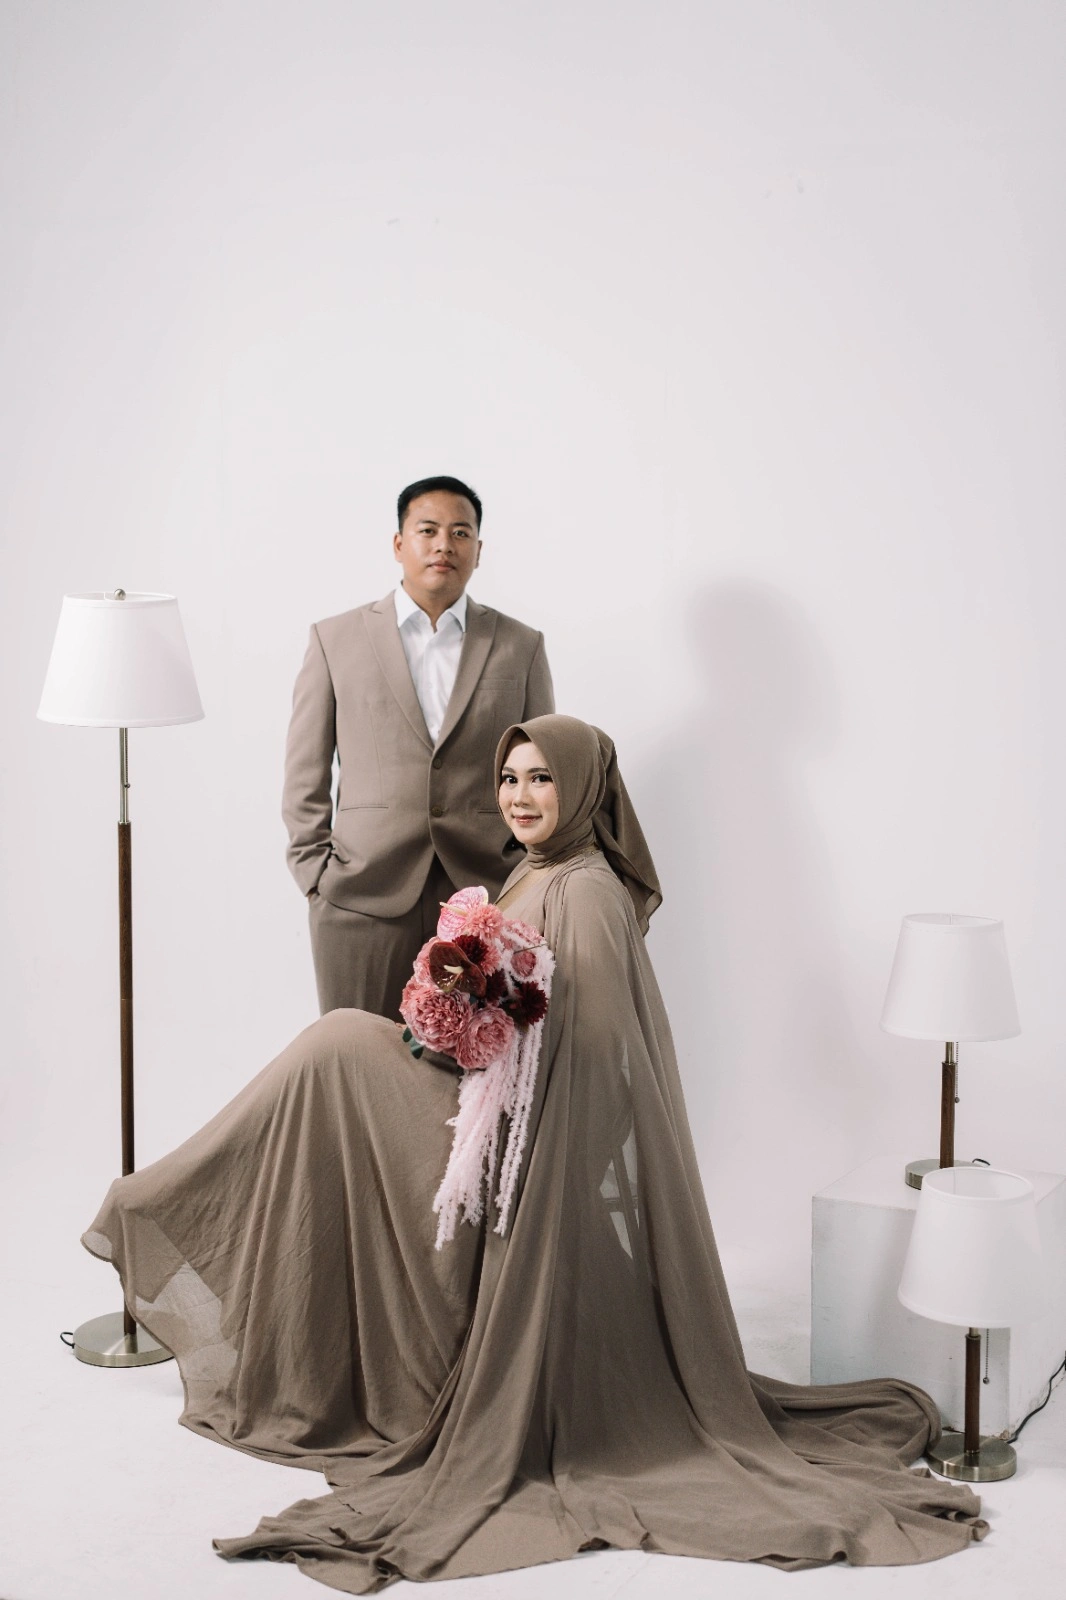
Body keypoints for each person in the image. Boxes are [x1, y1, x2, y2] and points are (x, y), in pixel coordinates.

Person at [84, 715, 986, 1591]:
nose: (520, 796)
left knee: (330, 1054)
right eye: (510, 779)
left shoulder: (584, 891)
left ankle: (160, 1207)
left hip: (499, 1140)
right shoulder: (536, 871)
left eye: (542, 778)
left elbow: (592, 1064)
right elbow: (515, 1021)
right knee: (330, 1057)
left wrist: (487, 1065)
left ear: (583, 788)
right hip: (463, 1102)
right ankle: (194, 1233)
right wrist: (453, 1015)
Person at [282, 475, 554, 1019]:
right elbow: (305, 771)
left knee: (475, 1059)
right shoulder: (335, 640)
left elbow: (541, 770)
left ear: (479, 549)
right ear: (398, 543)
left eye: (460, 532)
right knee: (357, 1053)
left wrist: (530, 878)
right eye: (427, 530)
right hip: (360, 897)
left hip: (486, 897)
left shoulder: (520, 646)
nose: (443, 545)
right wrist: (317, 878)